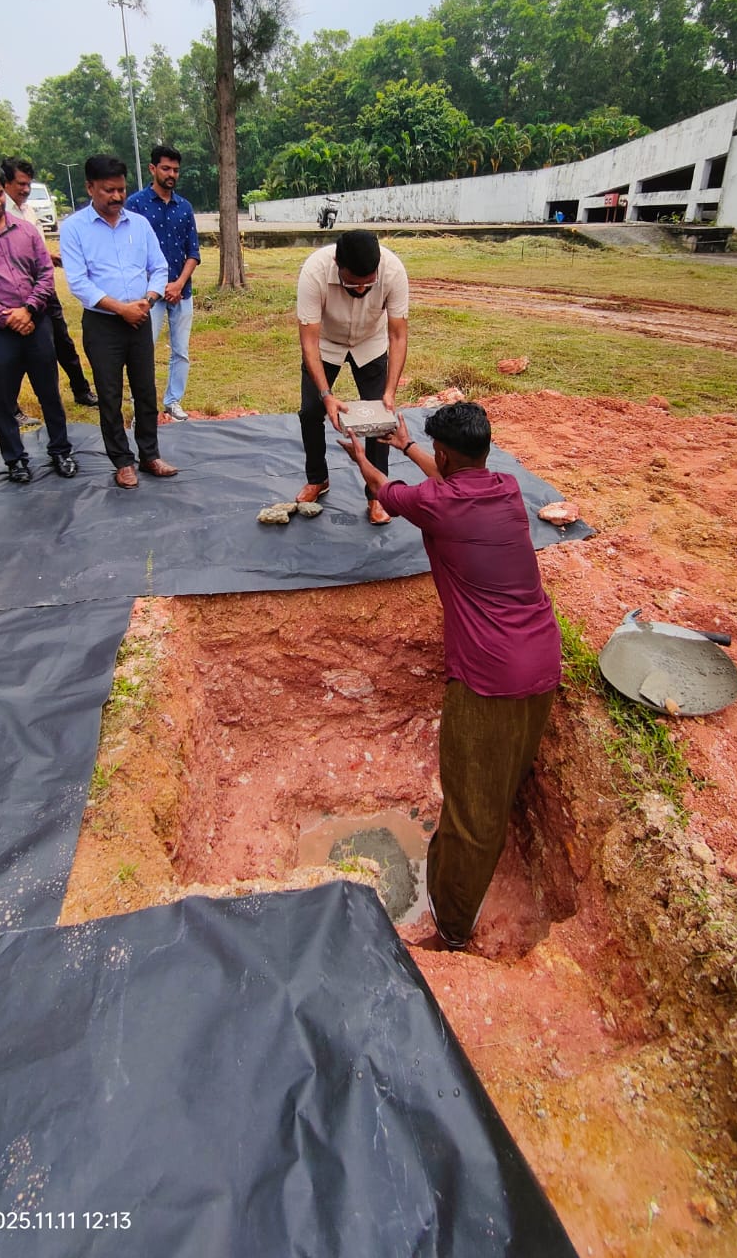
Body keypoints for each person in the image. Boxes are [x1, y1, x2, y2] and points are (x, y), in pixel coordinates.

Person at [339, 401, 562, 948]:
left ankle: (451, 928)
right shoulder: (506, 489)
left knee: (469, 813)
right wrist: (408, 446)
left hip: (489, 676)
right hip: (541, 657)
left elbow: (381, 491)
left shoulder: (433, 504)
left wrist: (362, 458)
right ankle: (464, 880)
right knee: (498, 786)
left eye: (434, 453)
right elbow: (451, 485)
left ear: (443, 452)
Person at [0, 160, 78, 484]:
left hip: (36, 322)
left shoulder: (27, 230)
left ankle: (61, 450)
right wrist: (8, 316)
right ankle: (15, 459)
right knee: (4, 397)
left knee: (49, 391)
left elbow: (45, 273)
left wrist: (30, 309)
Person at [59, 154, 177, 489]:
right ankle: (122, 461)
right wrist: (119, 308)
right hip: (102, 324)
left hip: (140, 317)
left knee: (145, 390)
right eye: (108, 190)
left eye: (121, 190)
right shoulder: (74, 229)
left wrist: (148, 300)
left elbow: (159, 267)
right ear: (90, 188)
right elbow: (79, 283)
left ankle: (150, 455)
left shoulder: (138, 225)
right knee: (109, 395)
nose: (116, 197)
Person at [295, 228, 408, 525]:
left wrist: (390, 391)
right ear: (337, 264)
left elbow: (398, 335)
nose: (360, 291)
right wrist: (326, 395)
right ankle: (317, 478)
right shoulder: (314, 271)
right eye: (352, 284)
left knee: (380, 416)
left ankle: (377, 494)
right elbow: (308, 341)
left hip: (371, 342)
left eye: (367, 285)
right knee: (310, 412)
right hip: (326, 344)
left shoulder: (393, 270)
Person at [1, 157, 98, 410]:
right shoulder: (1, 213)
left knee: (63, 342)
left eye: (28, 184)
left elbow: (35, 247)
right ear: (6, 183)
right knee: (19, 353)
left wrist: (49, 256)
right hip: (17, 295)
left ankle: (81, 390)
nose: (25, 189)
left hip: (44, 290)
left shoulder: (28, 210)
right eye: (20, 184)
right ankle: (12, 407)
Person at [126, 145, 200, 422]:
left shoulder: (185, 207)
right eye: (166, 168)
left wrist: (179, 283)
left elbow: (193, 252)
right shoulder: (135, 205)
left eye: (176, 170)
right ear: (152, 169)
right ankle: (140, 409)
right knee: (143, 352)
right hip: (148, 295)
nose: (171, 174)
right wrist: (156, 288)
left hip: (182, 291)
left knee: (181, 351)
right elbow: (131, 251)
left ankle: (173, 402)